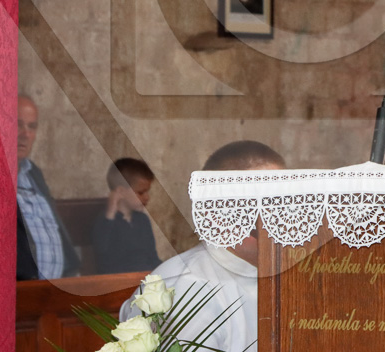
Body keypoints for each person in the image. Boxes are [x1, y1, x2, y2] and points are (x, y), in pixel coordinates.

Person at [120, 141, 286, 352]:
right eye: (260, 205)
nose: (276, 218)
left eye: (285, 203)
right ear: (216, 212)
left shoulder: (291, 273)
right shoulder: (188, 289)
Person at [16, 95, 80, 280]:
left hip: (57, 286)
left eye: (32, 127)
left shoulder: (33, 173)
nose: (25, 134)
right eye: (18, 124)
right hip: (22, 289)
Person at [91, 158, 161, 274]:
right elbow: (101, 252)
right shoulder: (106, 221)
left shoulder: (142, 220)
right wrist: (110, 213)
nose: (147, 197)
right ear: (121, 192)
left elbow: (152, 257)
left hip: (145, 277)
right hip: (119, 280)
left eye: (147, 192)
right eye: (141, 192)